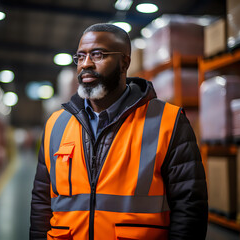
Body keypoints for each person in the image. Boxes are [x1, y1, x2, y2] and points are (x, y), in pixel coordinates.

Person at [30, 23, 208, 240]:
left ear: (124, 62)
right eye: (80, 56)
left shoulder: (168, 122)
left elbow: (190, 207)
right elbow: (41, 203)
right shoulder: (56, 125)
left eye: (97, 55)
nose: (86, 64)